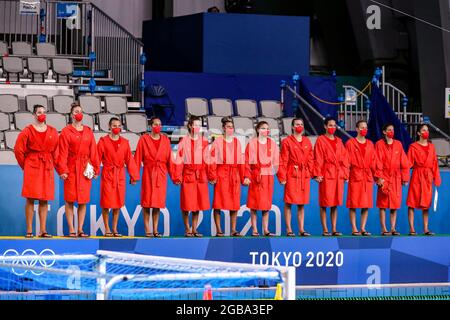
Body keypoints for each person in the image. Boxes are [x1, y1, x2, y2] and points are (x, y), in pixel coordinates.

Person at [14, 105, 59, 238]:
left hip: (47, 167)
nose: (42, 114)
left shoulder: (52, 131)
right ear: (34, 115)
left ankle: (43, 230)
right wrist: (26, 165)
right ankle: (29, 230)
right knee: (30, 198)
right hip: (32, 166)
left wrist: (60, 169)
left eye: (44, 112)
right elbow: (18, 150)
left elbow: (56, 152)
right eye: (39, 112)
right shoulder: (27, 131)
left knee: (44, 199)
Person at [57, 103, 100, 238]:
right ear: (72, 115)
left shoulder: (88, 131)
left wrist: (95, 169)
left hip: (84, 168)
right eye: (76, 111)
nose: (79, 114)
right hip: (70, 168)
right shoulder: (65, 131)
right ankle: (71, 229)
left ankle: (80, 229)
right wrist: (62, 169)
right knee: (69, 200)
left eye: (81, 111)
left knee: (83, 200)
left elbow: (94, 151)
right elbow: (62, 152)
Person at [97, 117, 140, 237]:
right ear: (109, 127)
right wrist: (93, 172)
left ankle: (114, 229)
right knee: (106, 204)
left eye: (118, 126)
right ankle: (107, 229)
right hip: (108, 174)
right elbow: (96, 158)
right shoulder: (103, 141)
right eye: (114, 126)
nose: (117, 128)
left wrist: (134, 176)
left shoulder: (125, 143)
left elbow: (129, 161)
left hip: (120, 175)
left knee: (118, 203)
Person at [172, 116, 214, 237]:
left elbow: (208, 160)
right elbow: (179, 160)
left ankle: (194, 229)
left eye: (199, 125)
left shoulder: (204, 142)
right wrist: (177, 176)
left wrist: (211, 175)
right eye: (195, 125)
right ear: (190, 126)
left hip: (201, 176)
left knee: (198, 205)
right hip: (188, 175)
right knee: (187, 205)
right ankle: (187, 229)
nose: (197, 127)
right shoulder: (183, 142)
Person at [134, 117, 173, 237]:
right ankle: (147, 230)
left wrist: (174, 176)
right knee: (146, 203)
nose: (158, 126)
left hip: (161, 174)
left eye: (160, 124)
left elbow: (170, 160)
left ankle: (155, 229)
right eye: (155, 124)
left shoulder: (166, 140)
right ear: (150, 126)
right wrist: (134, 176)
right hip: (148, 173)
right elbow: (137, 158)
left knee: (157, 204)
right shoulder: (143, 139)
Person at [277, 118, 313, 237]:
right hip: (292, 174)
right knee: (289, 202)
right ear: (292, 127)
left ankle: (301, 229)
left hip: (304, 175)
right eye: (297, 124)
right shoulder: (287, 141)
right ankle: (289, 229)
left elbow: (311, 159)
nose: (299, 126)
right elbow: (283, 160)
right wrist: (282, 176)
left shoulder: (307, 141)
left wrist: (312, 172)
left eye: (301, 124)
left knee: (301, 203)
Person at [313, 117, 349, 236]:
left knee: (335, 203)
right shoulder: (321, 140)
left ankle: (334, 228)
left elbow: (344, 158)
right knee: (324, 203)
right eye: (330, 125)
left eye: (334, 125)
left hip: (338, 175)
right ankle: (325, 229)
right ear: (325, 126)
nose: (332, 128)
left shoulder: (339, 141)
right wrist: (317, 174)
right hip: (326, 173)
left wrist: (345, 173)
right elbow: (318, 158)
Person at [209, 117, 245, 237]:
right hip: (221, 173)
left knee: (234, 203)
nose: (231, 129)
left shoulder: (237, 142)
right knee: (218, 203)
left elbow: (241, 161)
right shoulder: (217, 142)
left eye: (232, 127)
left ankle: (233, 229)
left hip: (234, 175)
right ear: (223, 128)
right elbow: (212, 160)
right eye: (228, 127)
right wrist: (212, 175)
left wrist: (243, 176)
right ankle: (219, 229)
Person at [244, 121, 279, 237]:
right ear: (258, 130)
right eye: (263, 128)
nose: (266, 130)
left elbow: (277, 161)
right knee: (254, 205)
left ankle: (266, 230)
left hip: (268, 177)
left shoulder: (272, 144)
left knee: (266, 205)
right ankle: (254, 230)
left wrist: (281, 176)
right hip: (256, 176)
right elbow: (247, 162)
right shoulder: (252, 144)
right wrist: (247, 176)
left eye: (267, 128)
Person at [374, 124, 410, 236]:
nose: (391, 132)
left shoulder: (398, 144)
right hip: (384, 177)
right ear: (384, 132)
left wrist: (405, 178)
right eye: (389, 130)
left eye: (392, 130)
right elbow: (377, 161)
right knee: (383, 205)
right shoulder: (379, 144)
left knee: (394, 204)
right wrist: (379, 178)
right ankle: (384, 229)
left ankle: (393, 228)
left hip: (395, 178)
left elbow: (404, 162)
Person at [406, 124, 441, 236]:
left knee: (426, 204)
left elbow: (435, 163)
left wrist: (436, 178)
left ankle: (426, 228)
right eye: (424, 130)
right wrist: (404, 177)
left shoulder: (431, 147)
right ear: (418, 133)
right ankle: (412, 228)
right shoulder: (413, 147)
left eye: (427, 130)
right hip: (417, 175)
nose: (426, 132)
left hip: (428, 177)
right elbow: (408, 163)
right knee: (412, 202)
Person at [345, 120, 376, 236]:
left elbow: (374, 161)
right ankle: (354, 228)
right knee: (353, 203)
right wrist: (345, 174)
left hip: (367, 176)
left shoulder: (370, 144)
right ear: (357, 129)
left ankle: (363, 228)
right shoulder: (350, 143)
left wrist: (377, 177)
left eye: (366, 128)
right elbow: (346, 160)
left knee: (366, 203)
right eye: (362, 128)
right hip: (355, 175)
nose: (364, 130)